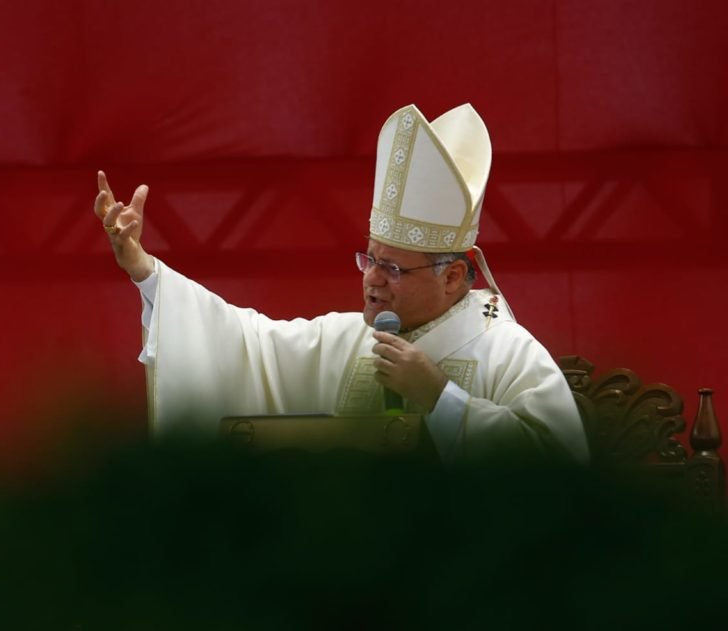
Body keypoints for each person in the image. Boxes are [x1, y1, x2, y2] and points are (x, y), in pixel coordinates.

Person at [93, 103, 588, 463]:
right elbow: (249, 345)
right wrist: (143, 267)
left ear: (453, 275)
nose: (372, 280)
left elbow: (559, 468)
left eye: (393, 268)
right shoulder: (349, 340)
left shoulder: (508, 352)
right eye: (369, 260)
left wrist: (439, 397)